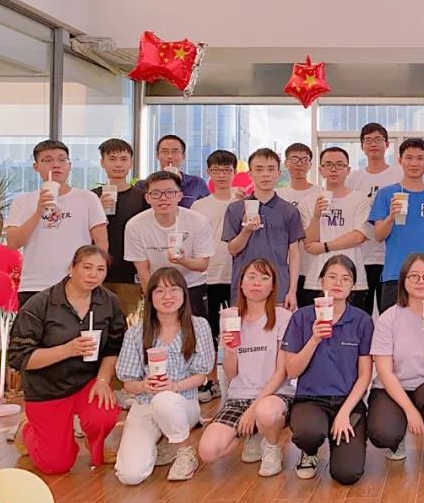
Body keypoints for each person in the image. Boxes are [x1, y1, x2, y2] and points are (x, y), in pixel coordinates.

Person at [6, 246, 126, 475]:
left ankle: (96, 443)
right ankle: (27, 430)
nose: (93, 275)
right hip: (47, 387)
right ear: (72, 268)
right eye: (87, 267)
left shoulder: (109, 302)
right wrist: (67, 350)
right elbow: (19, 357)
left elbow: (114, 347)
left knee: (103, 413)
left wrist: (102, 380)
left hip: (87, 381)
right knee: (56, 465)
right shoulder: (40, 305)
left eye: (100, 269)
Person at [114, 268, 214, 484]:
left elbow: (201, 375)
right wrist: (143, 385)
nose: (167, 296)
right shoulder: (136, 333)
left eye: (173, 289)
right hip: (145, 404)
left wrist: (174, 386)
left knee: (164, 400)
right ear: (149, 296)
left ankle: (184, 452)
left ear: (184, 293)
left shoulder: (198, 326)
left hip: (182, 403)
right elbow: (127, 383)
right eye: (159, 291)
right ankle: (161, 442)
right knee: (130, 475)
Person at [198, 259, 295, 478]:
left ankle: (271, 446)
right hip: (239, 396)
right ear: (241, 283)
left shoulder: (283, 317)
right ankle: (252, 434)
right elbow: (230, 373)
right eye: (251, 277)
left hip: (274, 395)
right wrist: (230, 351)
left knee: (266, 413)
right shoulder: (230, 317)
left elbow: (282, 372)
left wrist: (253, 410)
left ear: (273, 286)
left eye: (264, 278)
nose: (257, 283)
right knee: (208, 452)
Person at [282, 255, 374, 485]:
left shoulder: (362, 320)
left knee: (347, 474)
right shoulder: (302, 317)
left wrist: (344, 412)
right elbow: (291, 371)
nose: (338, 283)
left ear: (353, 285)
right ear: (321, 281)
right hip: (310, 399)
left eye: (346, 278)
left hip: (348, 402)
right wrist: (313, 340)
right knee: (308, 433)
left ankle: (339, 441)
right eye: (332, 276)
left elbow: (365, 375)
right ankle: (309, 451)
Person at [367, 253, 424, 474]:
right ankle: (396, 439)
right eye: (414, 276)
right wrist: (410, 412)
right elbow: (384, 372)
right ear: (403, 281)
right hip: (391, 388)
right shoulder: (388, 318)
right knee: (382, 434)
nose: (421, 281)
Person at [7, 139, 108, 306]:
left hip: (77, 283)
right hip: (34, 284)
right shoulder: (22, 201)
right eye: (48, 160)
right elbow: (12, 243)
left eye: (62, 160)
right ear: (36, 167)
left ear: (69, 166)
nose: (56, 165)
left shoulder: (88, 198)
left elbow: (102, 244)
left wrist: (96, 276)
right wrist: (38, 211)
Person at [369, 138, 424, 309]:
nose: (414, 163)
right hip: (395, 275)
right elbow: (378, 236)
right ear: (400, 160)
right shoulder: (386, 194)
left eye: (420, 158)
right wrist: (390, 217)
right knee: (393, 324)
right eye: (409, 158)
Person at [124, 171, 214, 319]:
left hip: (191, 286)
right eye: (156, 194)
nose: (163, 198)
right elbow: (143, 269)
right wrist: (152, 297)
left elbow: (202, 265)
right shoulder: (135, 225)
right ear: (147, 198)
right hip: (157, 288)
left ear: (180, 196)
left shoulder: (198, 221)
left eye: (170, 192)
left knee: (194, 329)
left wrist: (182, 260)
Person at [223, 148, 305, 309]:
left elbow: (295, 253)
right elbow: (232, 249)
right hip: (244, 289)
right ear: (250, 174)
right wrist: (246, 230)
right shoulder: (235, 209)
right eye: (259, 169)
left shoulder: (290, 211)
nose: (265, 174)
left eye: (270, 169)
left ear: (278, 173)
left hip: (279, 288)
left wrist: (292, 291)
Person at [191, 149, 242, 401]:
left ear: (235, 172)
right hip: (208, 276)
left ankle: (240, 380)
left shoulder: (245, 200)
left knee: (240, 331)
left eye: (226, 170)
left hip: (237, 275)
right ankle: (211, 381)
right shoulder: (199, 206)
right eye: (216, 170)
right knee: (208, 331)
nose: (222, 175)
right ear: (208, 172)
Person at [300, 147, 372, 312]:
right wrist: (316, 216)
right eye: (328, 165)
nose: (334, 169)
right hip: (317, 278)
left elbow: (359, 236)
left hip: (352, 279)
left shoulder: (361, 199)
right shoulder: (308, 202)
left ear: (348, 170)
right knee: (317, 324)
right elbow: (309, 242)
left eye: (339, 165)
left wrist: (325, 246)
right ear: (321, 170)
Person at [346, 122, 403, 314]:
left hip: (392, 257)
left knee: (392, 314)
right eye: (368, 140)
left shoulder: (399, 175)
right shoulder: (353, 179)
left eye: (378, 139)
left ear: (387, 144)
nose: (373, 144)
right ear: (362, 146)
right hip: (361, 255)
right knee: (360, 313)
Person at [92, 138, 148, 316]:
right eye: (112, 159)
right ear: (102, 162)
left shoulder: (142, 197)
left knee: (129, 324)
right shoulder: (91, 198)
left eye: (124, 159)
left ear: (131, 162)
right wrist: (96, 208)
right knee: (96, 321)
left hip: (130, 275)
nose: (118, 164)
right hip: (95, 273)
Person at [277, 142, 320, 308]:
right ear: (286, 163)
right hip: (283, 265)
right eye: (294, 159)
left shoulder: (320, 193)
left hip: (312, 265)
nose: (299, 164)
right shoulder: (277, 195)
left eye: (304, 159)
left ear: (310, 164)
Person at [135, 134, 210, 208]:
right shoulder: (142, 185)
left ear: (183, 156)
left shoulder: (197, 183)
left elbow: (207, 208)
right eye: (165, 152)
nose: (170, 156)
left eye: (175, 152)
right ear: (157, 155)